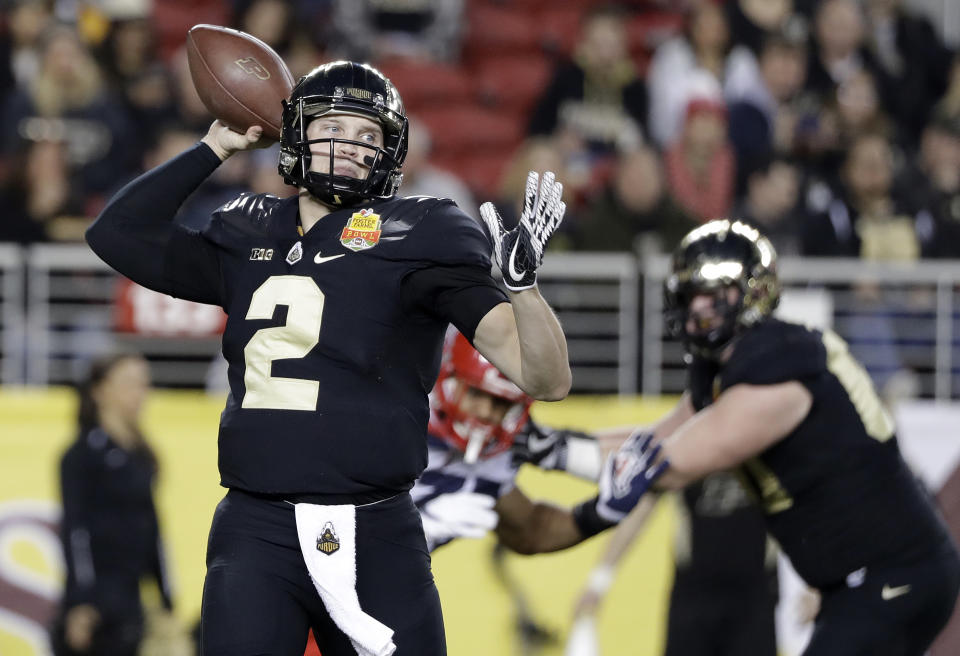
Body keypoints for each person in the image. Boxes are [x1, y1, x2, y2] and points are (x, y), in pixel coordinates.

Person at [84, 60, 571, 656]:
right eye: (333, 125)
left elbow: (544, 378)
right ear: (295, 134)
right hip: (256, 528)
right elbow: (116, 235)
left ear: (389, 154)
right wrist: (214, 144)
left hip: (378, 527)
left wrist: (523, 290)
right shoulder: (246, 227)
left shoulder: (424, 229)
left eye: (369, 135)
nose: (350, 145)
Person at [583, 218, 960, 655]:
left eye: (710, 294)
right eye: (691, 296)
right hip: (807, 578)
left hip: (871, 574)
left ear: (753, 292)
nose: (697, 308)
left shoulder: (778, 367)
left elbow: (659, 465)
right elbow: (649, 449)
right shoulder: (724, 378)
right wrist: (554, 447)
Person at [413, 330, 603, 554]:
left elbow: (530, 532)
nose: (485, 412)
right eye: (475, 393)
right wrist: (410, 531)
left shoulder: (491, 455)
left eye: (501, 403)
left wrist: (602, 513)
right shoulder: (389, 416)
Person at [51, 352, 176, 656]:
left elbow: (152, 528)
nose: (141, 393)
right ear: (100, 390)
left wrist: (165, 597)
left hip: (131, 601)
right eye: (130, 383)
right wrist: (81, 602)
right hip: (96, 608)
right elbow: (75, 530)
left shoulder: (142, 456)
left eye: (145, 384)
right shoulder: (81, 455)